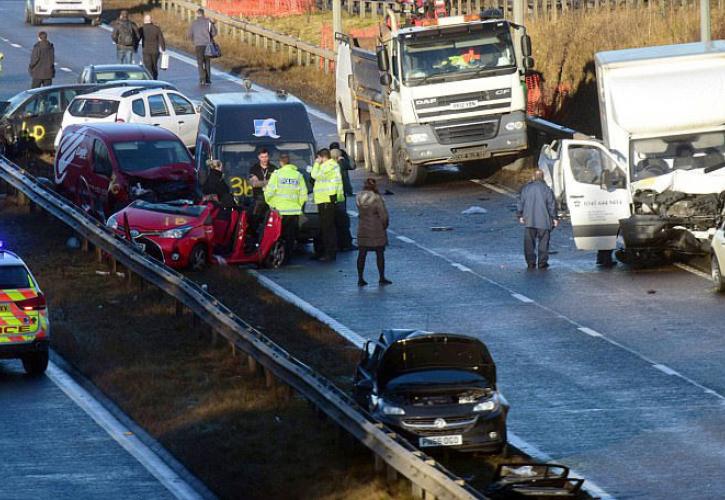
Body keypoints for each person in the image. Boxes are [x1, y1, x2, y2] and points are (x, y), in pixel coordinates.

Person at [265, 153, 308, 261]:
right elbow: (303, 194)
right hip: (294, 211)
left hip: (280, 212)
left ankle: (279, 257)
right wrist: (298, 205)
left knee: (278, 235)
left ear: (280, 162)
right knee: (290, 236)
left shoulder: (277, 174)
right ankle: (288, 257)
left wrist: (272, 205)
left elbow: (269, 192)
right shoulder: (298, 175)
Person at [517, 169, 558, 269]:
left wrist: (520, 215)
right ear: (543, 177)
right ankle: (542, 262)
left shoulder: (526, 188)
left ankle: (530, 262)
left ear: (533, 177)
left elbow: (520, 202)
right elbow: (551, 205)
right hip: (544, 221)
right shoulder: (547, 189)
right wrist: (554, 218)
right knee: (543, 242)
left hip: (529, 220)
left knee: (529, 243)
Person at [356, 178, 391, 286]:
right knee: (379, 253)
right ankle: (381, 277)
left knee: (362, 254)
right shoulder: (377, 198)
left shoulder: (358, 197)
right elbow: (383, 215)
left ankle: (360, 278)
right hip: (376, 229)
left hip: (362, 228)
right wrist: (384, 226)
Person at [311, 148, 344, 262]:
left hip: (326, 199)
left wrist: (316, 164)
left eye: (318, 158)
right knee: (327, 228)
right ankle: (325, 251)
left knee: (327, 229)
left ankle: (329, 253)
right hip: (327, 199)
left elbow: (314, 175)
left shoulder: (327, 166)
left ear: (322, 157)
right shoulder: (332, 165)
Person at [330, 144, 356, 251]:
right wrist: (345, 156)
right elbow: (352, 165)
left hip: (329, 197)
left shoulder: (327, 164)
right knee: (342, 220)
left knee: (336, 221)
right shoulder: (339, 165)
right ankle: (344, 243)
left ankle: (338, 243)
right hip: (339, 196)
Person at [188, 8, 217, 86]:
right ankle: (208, 79)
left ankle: (202, 79)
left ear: (197, 14)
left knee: (200, 63)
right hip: (207, 45)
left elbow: (189, 35)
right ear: (203, 14)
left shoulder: (193, 23)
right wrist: (209, 36)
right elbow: (214, 33)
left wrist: (194, 40)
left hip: (198, 45)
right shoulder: (208, 22)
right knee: (207, 62)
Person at [139, 14, 165, 80]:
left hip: (146, 50)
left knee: (148, 66)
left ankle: (150, 79)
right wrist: (163, 48)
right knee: (154, 65)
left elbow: (137, 38)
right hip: (155, 51)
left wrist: (135, 47)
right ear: (151, 20)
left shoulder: (142, 29)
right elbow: (161, 39)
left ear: (144, 20)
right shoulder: (156, 28)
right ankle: (155, 78)